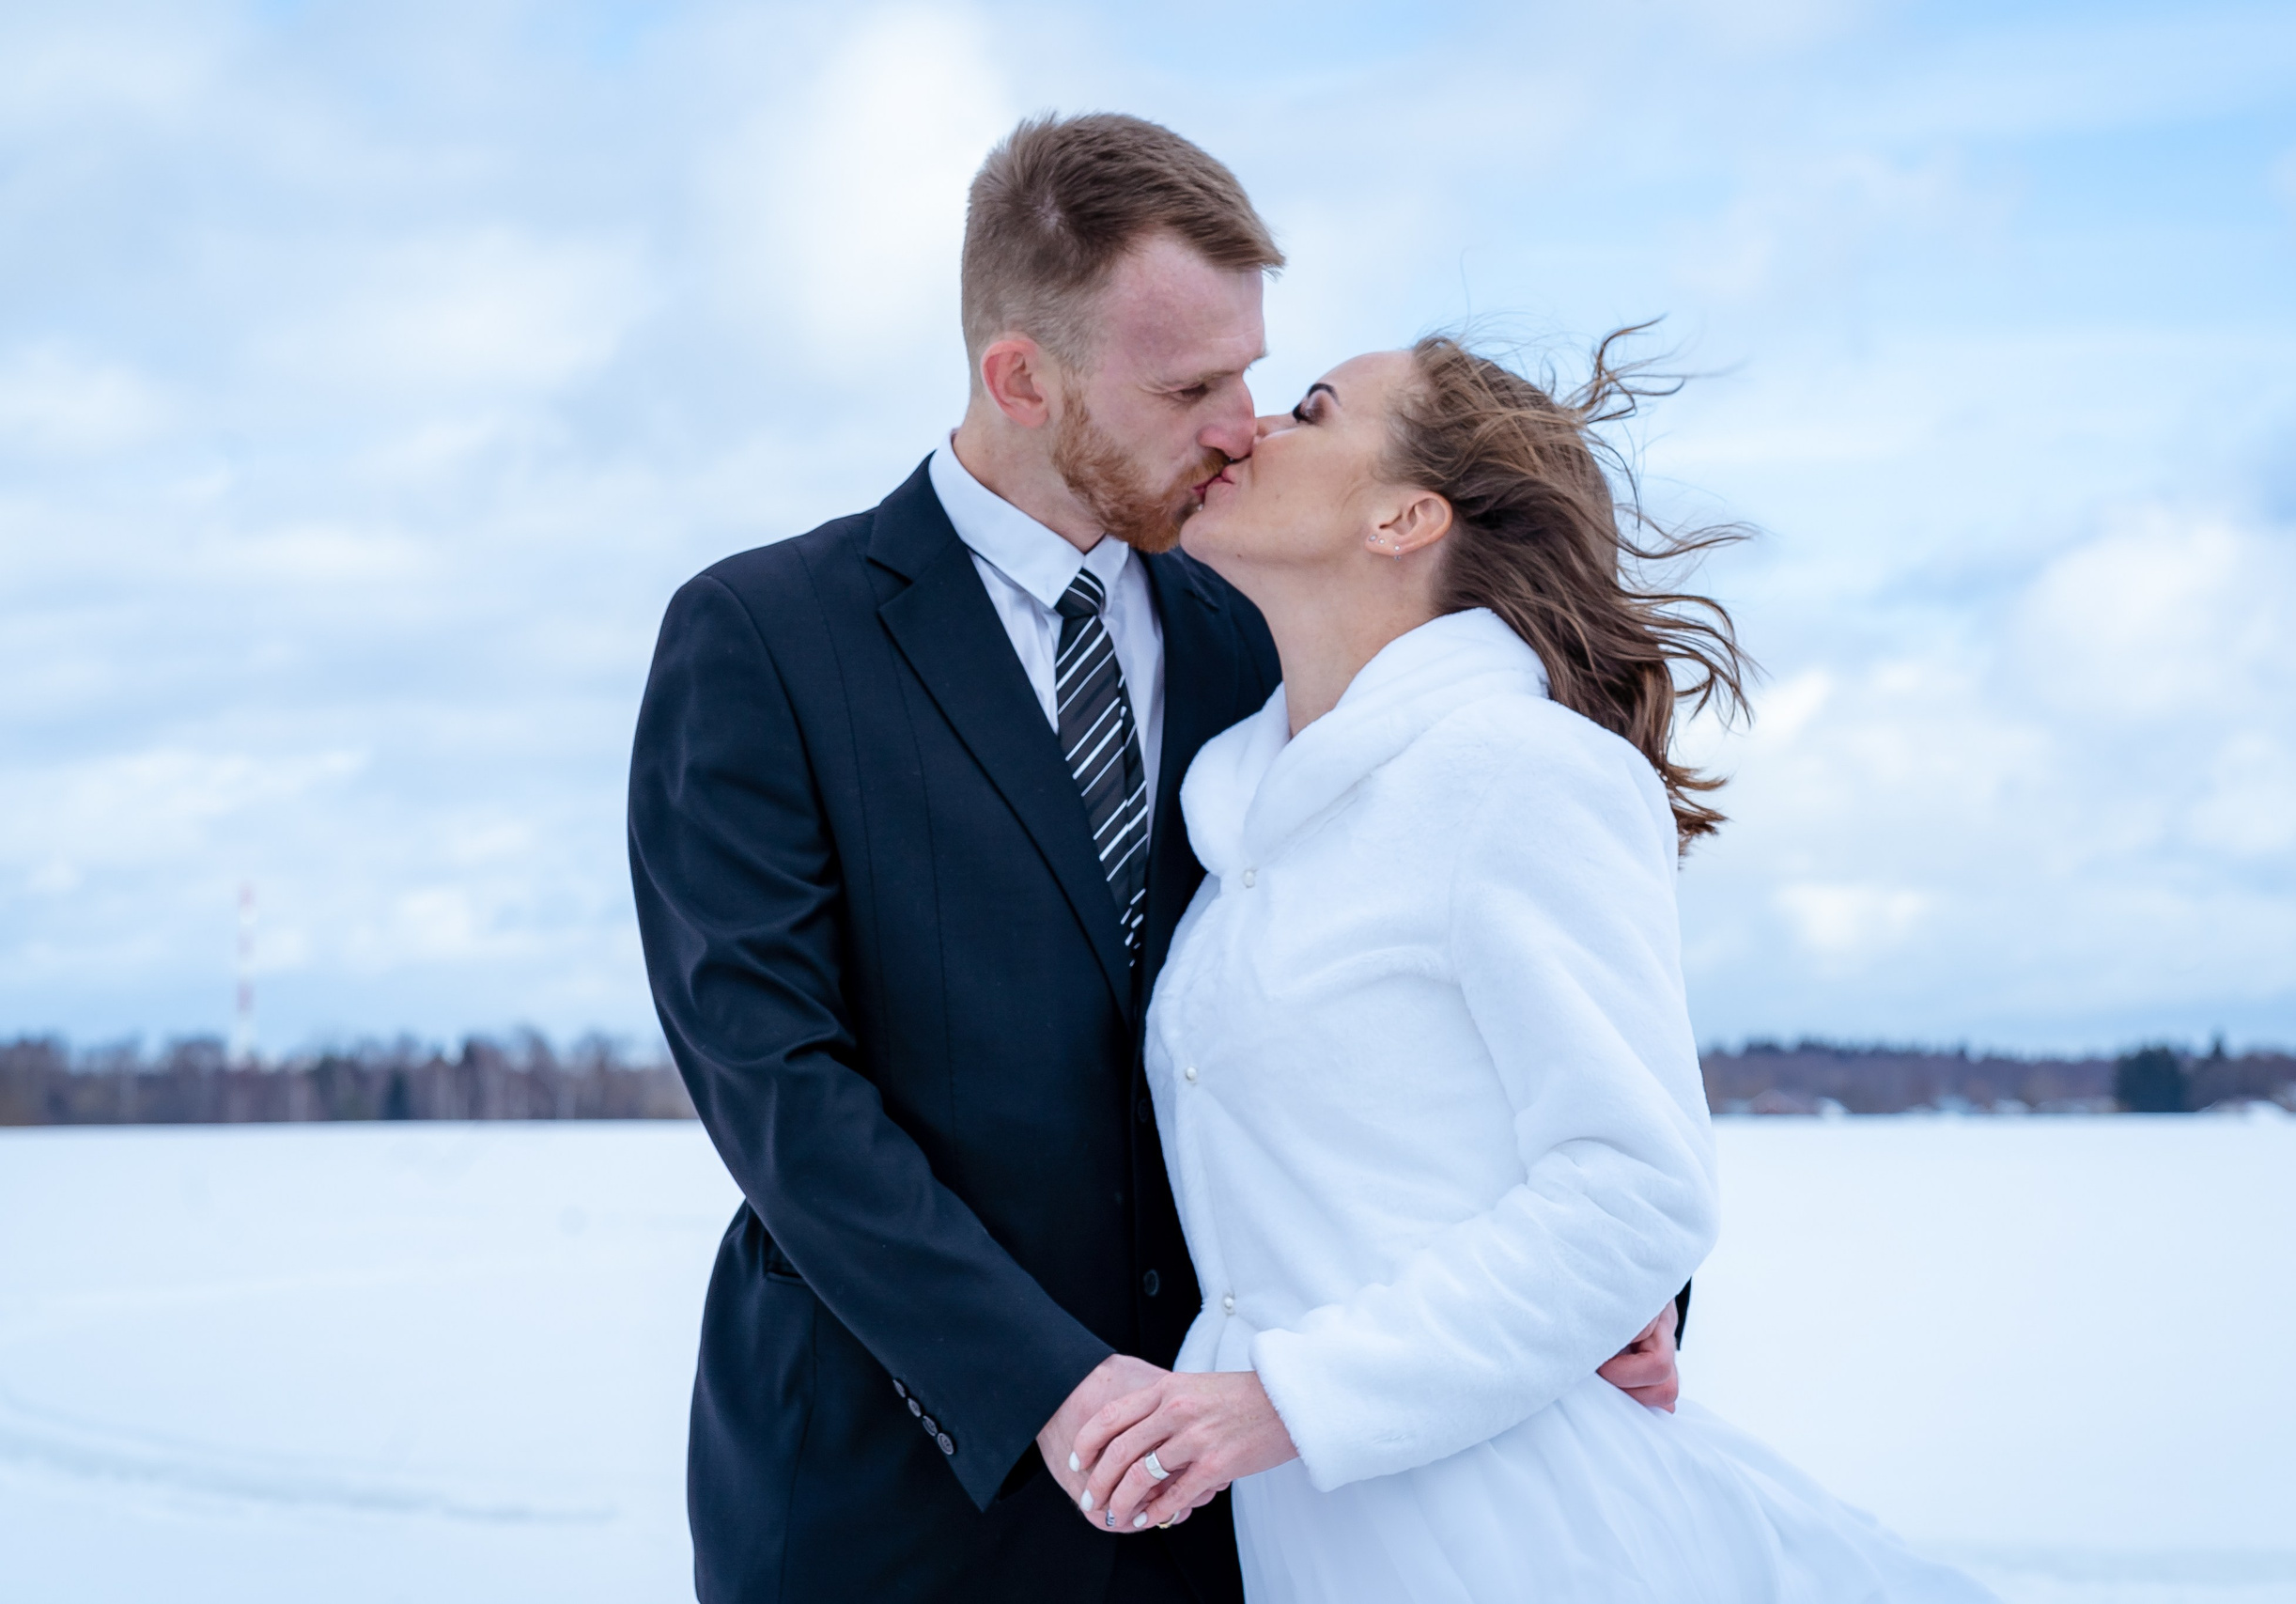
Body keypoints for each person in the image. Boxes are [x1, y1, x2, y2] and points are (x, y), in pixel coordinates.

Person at [628, 114, 1683, 1603]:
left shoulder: (1262, 628)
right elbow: (772, 1079)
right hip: (890, 1484)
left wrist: (1631, 1297)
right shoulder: (766, 638)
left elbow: (1477, 984)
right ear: (1021, 378)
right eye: (1191, 385)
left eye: (1256, 371)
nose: (1240, 422)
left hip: (1248, 1497)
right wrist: (1050, 1386)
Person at [1067, 338, 1997, 1601]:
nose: (1250, 428)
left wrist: (1281, 1401)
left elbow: (1634, 1187)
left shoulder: (1519, 773)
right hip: (1321, 1546)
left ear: (1406, 515)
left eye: (1313, 410)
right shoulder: (1246, 821)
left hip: (1523, 1534)